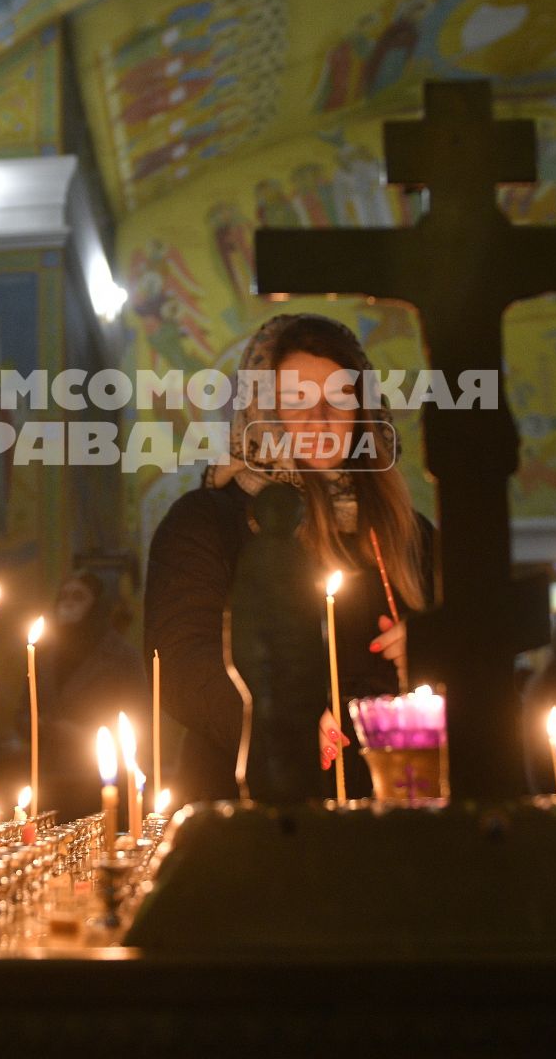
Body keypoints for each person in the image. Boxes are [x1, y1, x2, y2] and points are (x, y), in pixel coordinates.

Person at [145, 313, 437, 803]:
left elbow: (467, 652)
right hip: (248, 797)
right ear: (262, 409)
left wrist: (432, 650)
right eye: (297, 400)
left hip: (388, 798)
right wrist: (276, 725)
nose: (320, 420)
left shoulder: (405, 532)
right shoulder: (210, 520)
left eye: (339, 400)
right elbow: (180, 661)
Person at [16, 568, 149, 820]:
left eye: (78, 596)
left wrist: (83, 734)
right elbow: (22, 712)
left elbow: (137, 718)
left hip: (99, 779)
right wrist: (37, 726)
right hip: (49, 778)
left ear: (97, 605)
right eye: (64, 595)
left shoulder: (122, 657)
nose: (68, 602)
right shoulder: (43, 655)